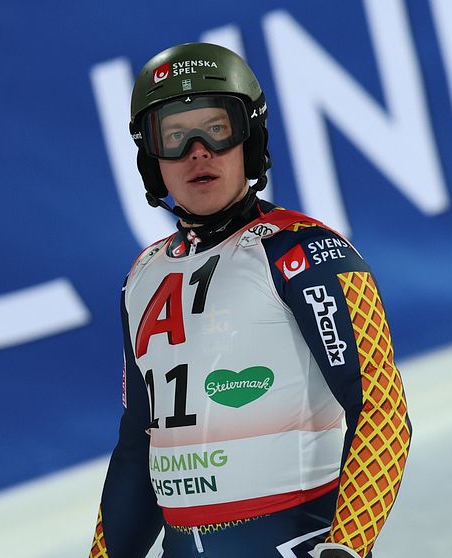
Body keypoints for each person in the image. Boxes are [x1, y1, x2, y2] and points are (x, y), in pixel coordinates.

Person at [90, 42, 411, 558]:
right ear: (152, 160)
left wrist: (346, 547)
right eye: (174, 136)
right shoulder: (142, 276)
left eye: (217, 128)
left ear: (250, 139)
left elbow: (381, 406)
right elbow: (138, 445)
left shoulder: (307, 253)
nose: (197, 151)